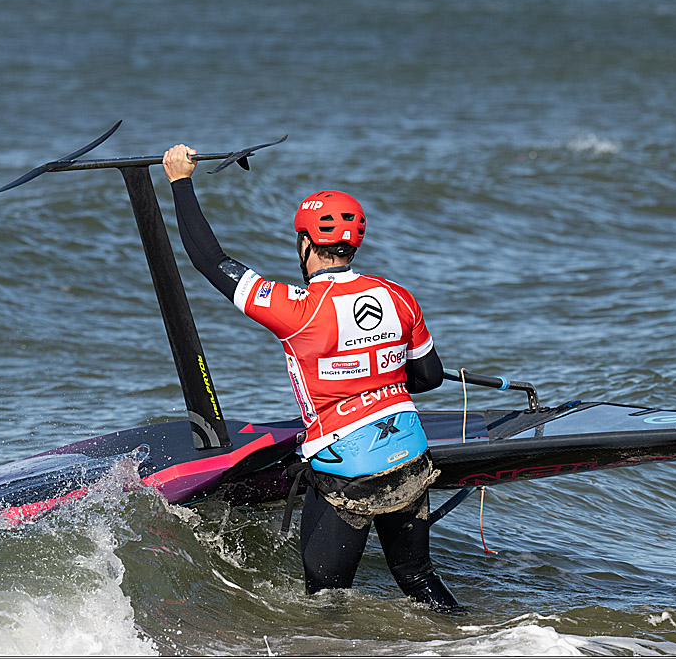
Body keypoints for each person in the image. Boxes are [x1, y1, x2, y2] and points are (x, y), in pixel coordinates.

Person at [162, 144, 463, 613]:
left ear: (306, 243)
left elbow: (210, 260)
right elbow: (429, 376)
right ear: (353, 245)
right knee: (419, 579)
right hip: (410, 455)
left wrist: (180, 180)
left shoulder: (298, 310)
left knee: (325, 601)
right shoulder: (398, 297)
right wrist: (377, 375)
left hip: (349, 467)